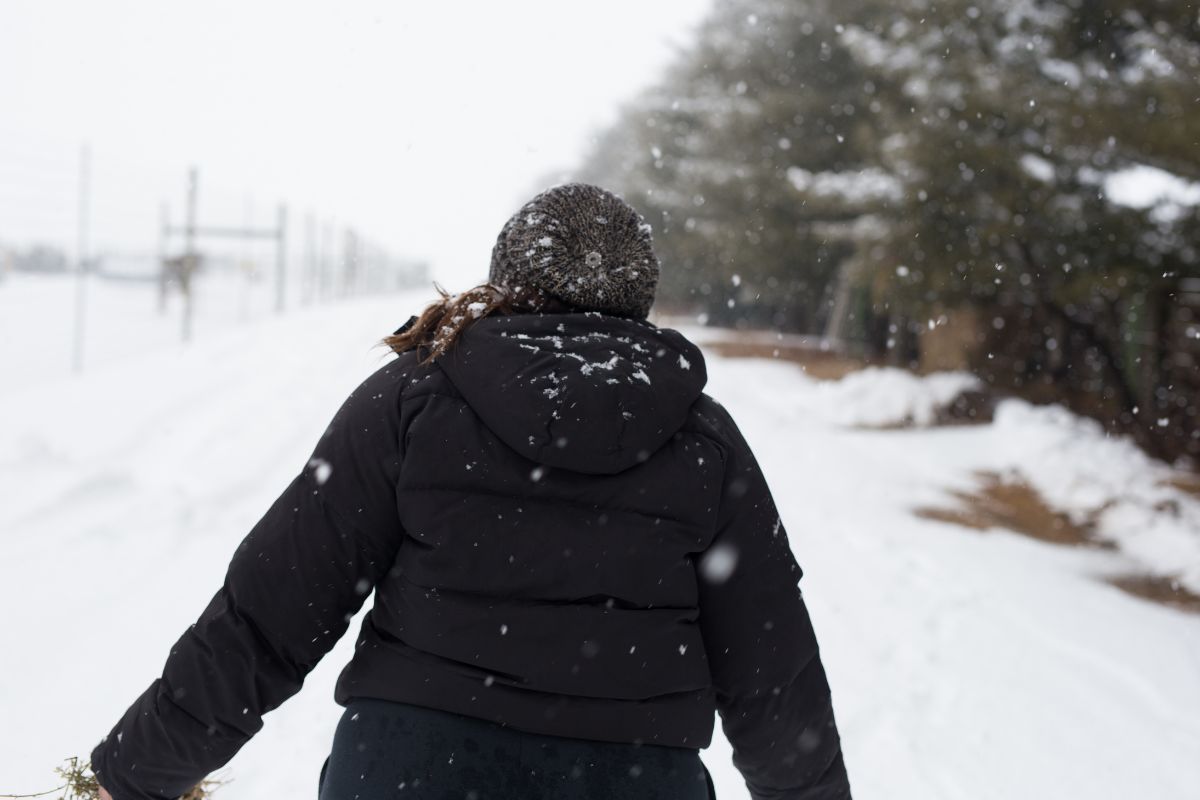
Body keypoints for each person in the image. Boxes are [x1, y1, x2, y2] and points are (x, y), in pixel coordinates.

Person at [91, 183, 852, 800]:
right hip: (634, 778)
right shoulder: (706, 442)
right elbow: (773, 672)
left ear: (505, 281)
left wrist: (139, 772)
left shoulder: (412, 400)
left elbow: (272, 611)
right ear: (641, 297)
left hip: (406, 768)